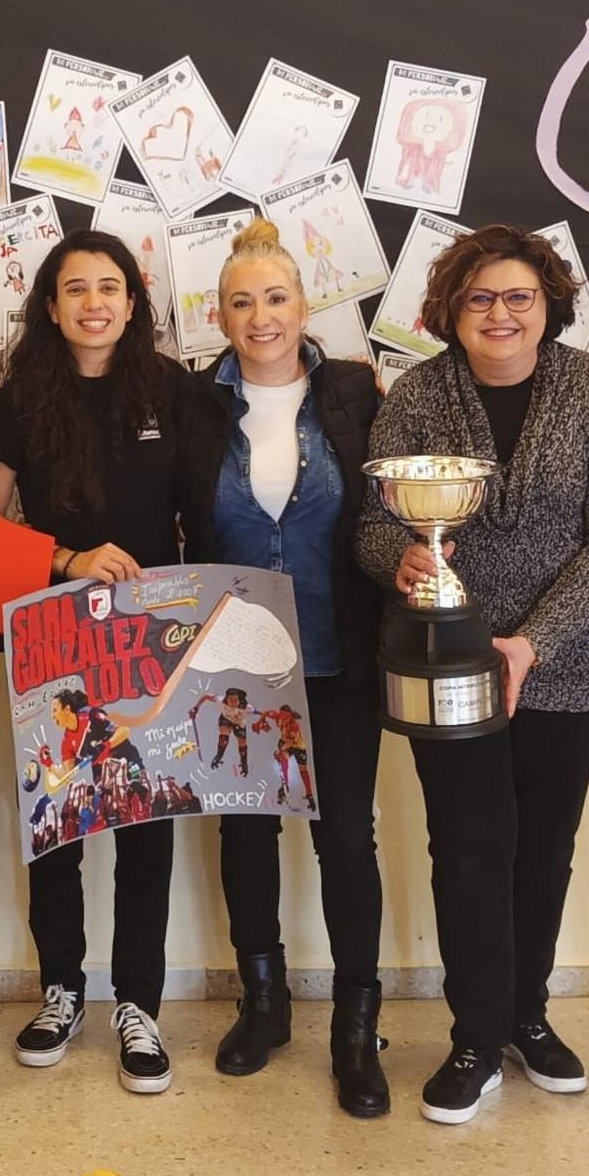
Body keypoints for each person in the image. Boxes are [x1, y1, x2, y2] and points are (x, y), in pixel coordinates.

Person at [357, 225, 589, 1124]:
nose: (500, 314)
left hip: (567, 666)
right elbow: (373, 528)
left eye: (519, 297)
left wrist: (534, 641)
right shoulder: (417, 394)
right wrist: (401, 560)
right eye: (481, 298)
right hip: (448, 663)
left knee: (544, 848)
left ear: (548, 306)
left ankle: (529, 1016)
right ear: (452, 309)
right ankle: (475, 1034)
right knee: (469, 849)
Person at [0, 230, 197, 1095]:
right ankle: (61, 988)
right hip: (52, 634)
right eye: (76, 290)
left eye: (110, 288)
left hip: (150, 643)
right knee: (58, 828)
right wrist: (67, 561)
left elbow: (199, 517)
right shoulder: (18, 401)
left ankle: (139, 1003)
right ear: (51, 307)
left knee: (147, 823)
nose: (94, 303)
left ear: (133, 303)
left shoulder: (172, 394)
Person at [181, 217, 391, 1117]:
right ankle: (263, 1004)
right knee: (247, 835)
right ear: (219, 316)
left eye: (275, 298)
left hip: (339, 651)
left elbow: (388, 514)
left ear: (306, 306)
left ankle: (356, 1024)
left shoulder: (355, 392)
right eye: (241, 302)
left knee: (345, 837)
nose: (260, 316)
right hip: (232, 661)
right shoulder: (193, 403)